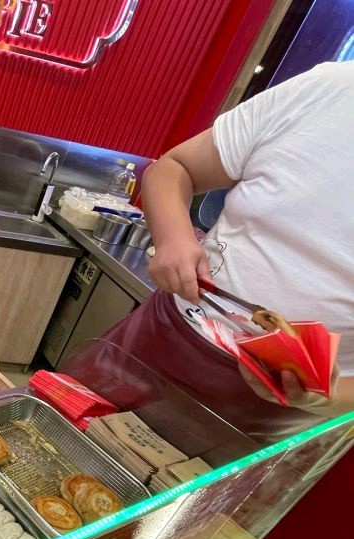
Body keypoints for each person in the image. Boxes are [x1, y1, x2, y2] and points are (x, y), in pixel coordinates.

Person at [89, 61, 354, 442]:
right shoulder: (331, 88)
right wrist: (175, 238)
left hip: (281, 415)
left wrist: (325, 397)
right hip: (166, 333)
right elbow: (173, 168)